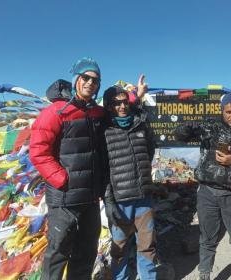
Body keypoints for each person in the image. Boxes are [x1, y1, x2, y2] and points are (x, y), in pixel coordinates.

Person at [30, 57, 106, 280]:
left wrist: (136, 98)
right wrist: (62, 179)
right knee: (58, 252)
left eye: (95, 80)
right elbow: (38, 151)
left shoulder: (97, 113)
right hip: (64, 199)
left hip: (90, 199)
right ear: (76, 80)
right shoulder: (55, 112)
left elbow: (121, 112)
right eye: (86, 77)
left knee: (86, 252)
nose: (90, 83)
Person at [175, 93, 231, 280]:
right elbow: (180, 135)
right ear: (222, 112)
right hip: (207, 192)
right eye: (228, 111)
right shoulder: (210, 127)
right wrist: (188, 124)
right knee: (207, 239)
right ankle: (204, 275)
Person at [102, 75, 158, 280]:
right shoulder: (105, 131)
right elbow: (103, 170)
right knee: (119, 249)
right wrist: (109, 200)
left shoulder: (140, 124)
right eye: (117, 103)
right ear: (109, 106)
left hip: (143, 198)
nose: (122, 106)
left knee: (147, 246)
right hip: (120, 201)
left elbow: (149, 151)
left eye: (125, 102)